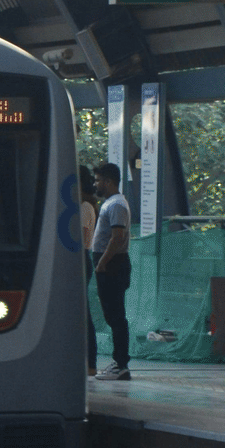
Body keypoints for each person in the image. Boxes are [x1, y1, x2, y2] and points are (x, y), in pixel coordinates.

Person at [90, 163, 131, 382]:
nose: (95, 184)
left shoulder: (116, 205)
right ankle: (119, 362)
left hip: (113, 266)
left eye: (97, 180)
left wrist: (103, 262)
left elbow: (118, 238)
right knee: (112, 314)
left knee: (116, 316)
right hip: (110, 265)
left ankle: (121, 363)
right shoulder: (110, 204)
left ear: (108, 181)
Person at [79, 166, 100, 378]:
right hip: (80, 258)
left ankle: (90, 362)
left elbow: (83, 237)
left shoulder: (85, 206)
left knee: (83, 312)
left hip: (80, 258)